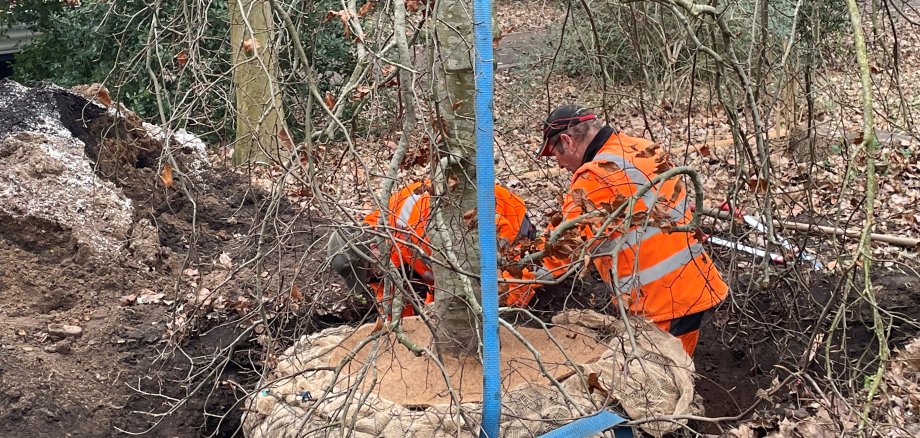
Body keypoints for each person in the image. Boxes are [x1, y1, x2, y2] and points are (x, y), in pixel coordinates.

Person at [508, 104, 728, 356]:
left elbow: (558, 250)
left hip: (660, 304)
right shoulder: (641, 147)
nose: (558, 164)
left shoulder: (596, 177)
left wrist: (508, 290)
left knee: (656, 385)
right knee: (675, 373)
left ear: (567, 141)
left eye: (555, 154)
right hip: (692, 284)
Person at [329, 180, 536, 317]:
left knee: (504, 304)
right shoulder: (377, 240)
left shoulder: (416, 226)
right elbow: (391, 298)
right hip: (451, 247)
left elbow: (496, 227)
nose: (373, 276)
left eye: (369, 271)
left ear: (372, 248)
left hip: (507, 224)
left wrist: (435, 308)